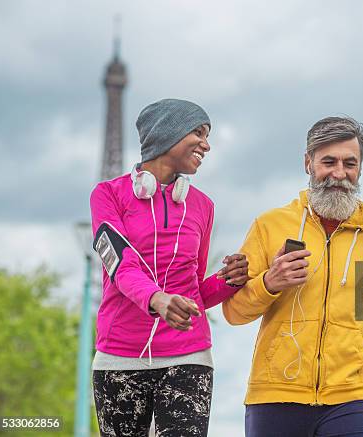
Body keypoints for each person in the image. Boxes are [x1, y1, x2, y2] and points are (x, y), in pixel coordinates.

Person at [223, 116, 363, 437]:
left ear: (361, 167)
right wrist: (270, 282)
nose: (339, 173)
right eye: (328, 161)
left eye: (350, 163)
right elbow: (234, 312)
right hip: (274, 395)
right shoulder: (269, 226)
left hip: (351, 398)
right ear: (308, 163)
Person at [90, 98, 248, 437]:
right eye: (198, 132)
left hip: (188, 356)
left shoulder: (203, 206)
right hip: (119, 357)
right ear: (167, 134)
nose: (207, 145)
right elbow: (118, 262)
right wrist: (157, 299)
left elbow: (193, 292)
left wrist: (228, 281)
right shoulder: (107, 195)